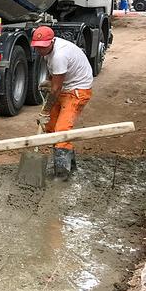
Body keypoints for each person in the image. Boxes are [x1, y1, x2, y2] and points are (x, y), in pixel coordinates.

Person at [31, 26, 93, 179]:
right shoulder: (47, 49)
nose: (39, 50)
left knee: (61, 132)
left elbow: (56, 88)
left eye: (42, 47)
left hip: (78, 90)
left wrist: (45, 110)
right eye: (37, 47)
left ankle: (62, 175)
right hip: (64, 86)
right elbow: (53, 73)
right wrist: (49, 81)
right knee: (51, 128)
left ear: (52, 41)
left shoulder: (60, 54)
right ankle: (69, 164)